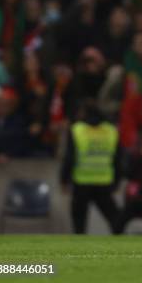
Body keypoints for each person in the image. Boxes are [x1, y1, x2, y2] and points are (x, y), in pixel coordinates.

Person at [60, 99, 122, 234]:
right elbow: (118, 159)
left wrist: (64, 180)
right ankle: (122, 249)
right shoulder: (111, 130)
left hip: (82, 182)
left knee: (79, 223)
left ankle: (81, 252)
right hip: (104, 182)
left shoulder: (77, 130)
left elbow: (70, 157)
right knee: (115, 218)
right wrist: (117, 181)